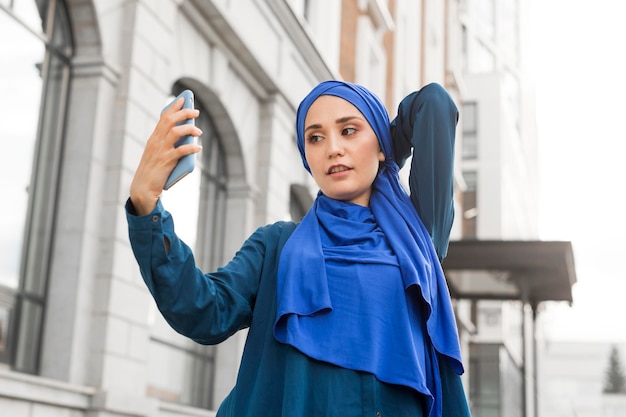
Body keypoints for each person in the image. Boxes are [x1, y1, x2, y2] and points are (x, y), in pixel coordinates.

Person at [126, 80, 471, 417]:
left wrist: (384, 144)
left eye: (348, 131)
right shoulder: (277, 245)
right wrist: (146, 204)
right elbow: (204, 312)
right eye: (315, 138)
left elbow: (435, 104)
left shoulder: (415, 237)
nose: (333, 148)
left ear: (381, 143)